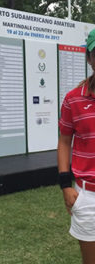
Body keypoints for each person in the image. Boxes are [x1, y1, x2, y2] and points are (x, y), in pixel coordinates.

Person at [58, 29, 95, 264]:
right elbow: (64, 141)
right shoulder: (73, 99)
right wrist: (65, 185)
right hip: (88, 195)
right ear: (90, 58)